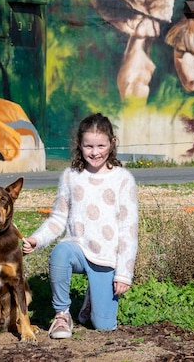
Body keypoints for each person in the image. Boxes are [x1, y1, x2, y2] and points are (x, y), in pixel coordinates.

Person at [22, 112, 139, 339]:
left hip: (106, 256)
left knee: (103, 325)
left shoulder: (123, 179)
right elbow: (58, 219)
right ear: (79, 145)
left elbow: (128, 230)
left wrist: (124, 274)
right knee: (60, 252)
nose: (95, 152)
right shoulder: (70, 176)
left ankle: (92, 299)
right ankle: (62, 313)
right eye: (89, 146)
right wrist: (37, 239)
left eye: (100, 146)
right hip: (77, 248)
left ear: (112, 143)